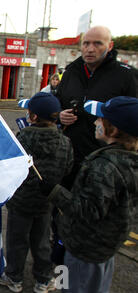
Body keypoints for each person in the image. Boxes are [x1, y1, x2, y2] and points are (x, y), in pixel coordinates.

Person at [40, 96, 138, 293]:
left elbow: (86, 210)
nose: (95, 122)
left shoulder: (105, 167)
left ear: (115, 129)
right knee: (97, 292)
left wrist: (54, 192)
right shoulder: (129, 160)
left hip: (84, 249)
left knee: (75, 292)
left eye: (101, 120)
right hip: (105, 247)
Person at [0, 92, 73, 293]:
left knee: (17, 241)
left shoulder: (23, 137)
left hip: (21, 203)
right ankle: (43, 279)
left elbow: (10, 167)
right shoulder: (65, 142)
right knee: (42, 241)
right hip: (47, 203)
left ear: (34, 117)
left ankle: (14, 277)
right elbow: (67, 168)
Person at [56, 25, 136, 189]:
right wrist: (59, 114)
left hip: (107, 164)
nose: (90, 49)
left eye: (97, 43)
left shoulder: (126, 75)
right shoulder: (71, 71)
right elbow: (57, 100)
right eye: (86, 43)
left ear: (110, 46)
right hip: (69, 157)